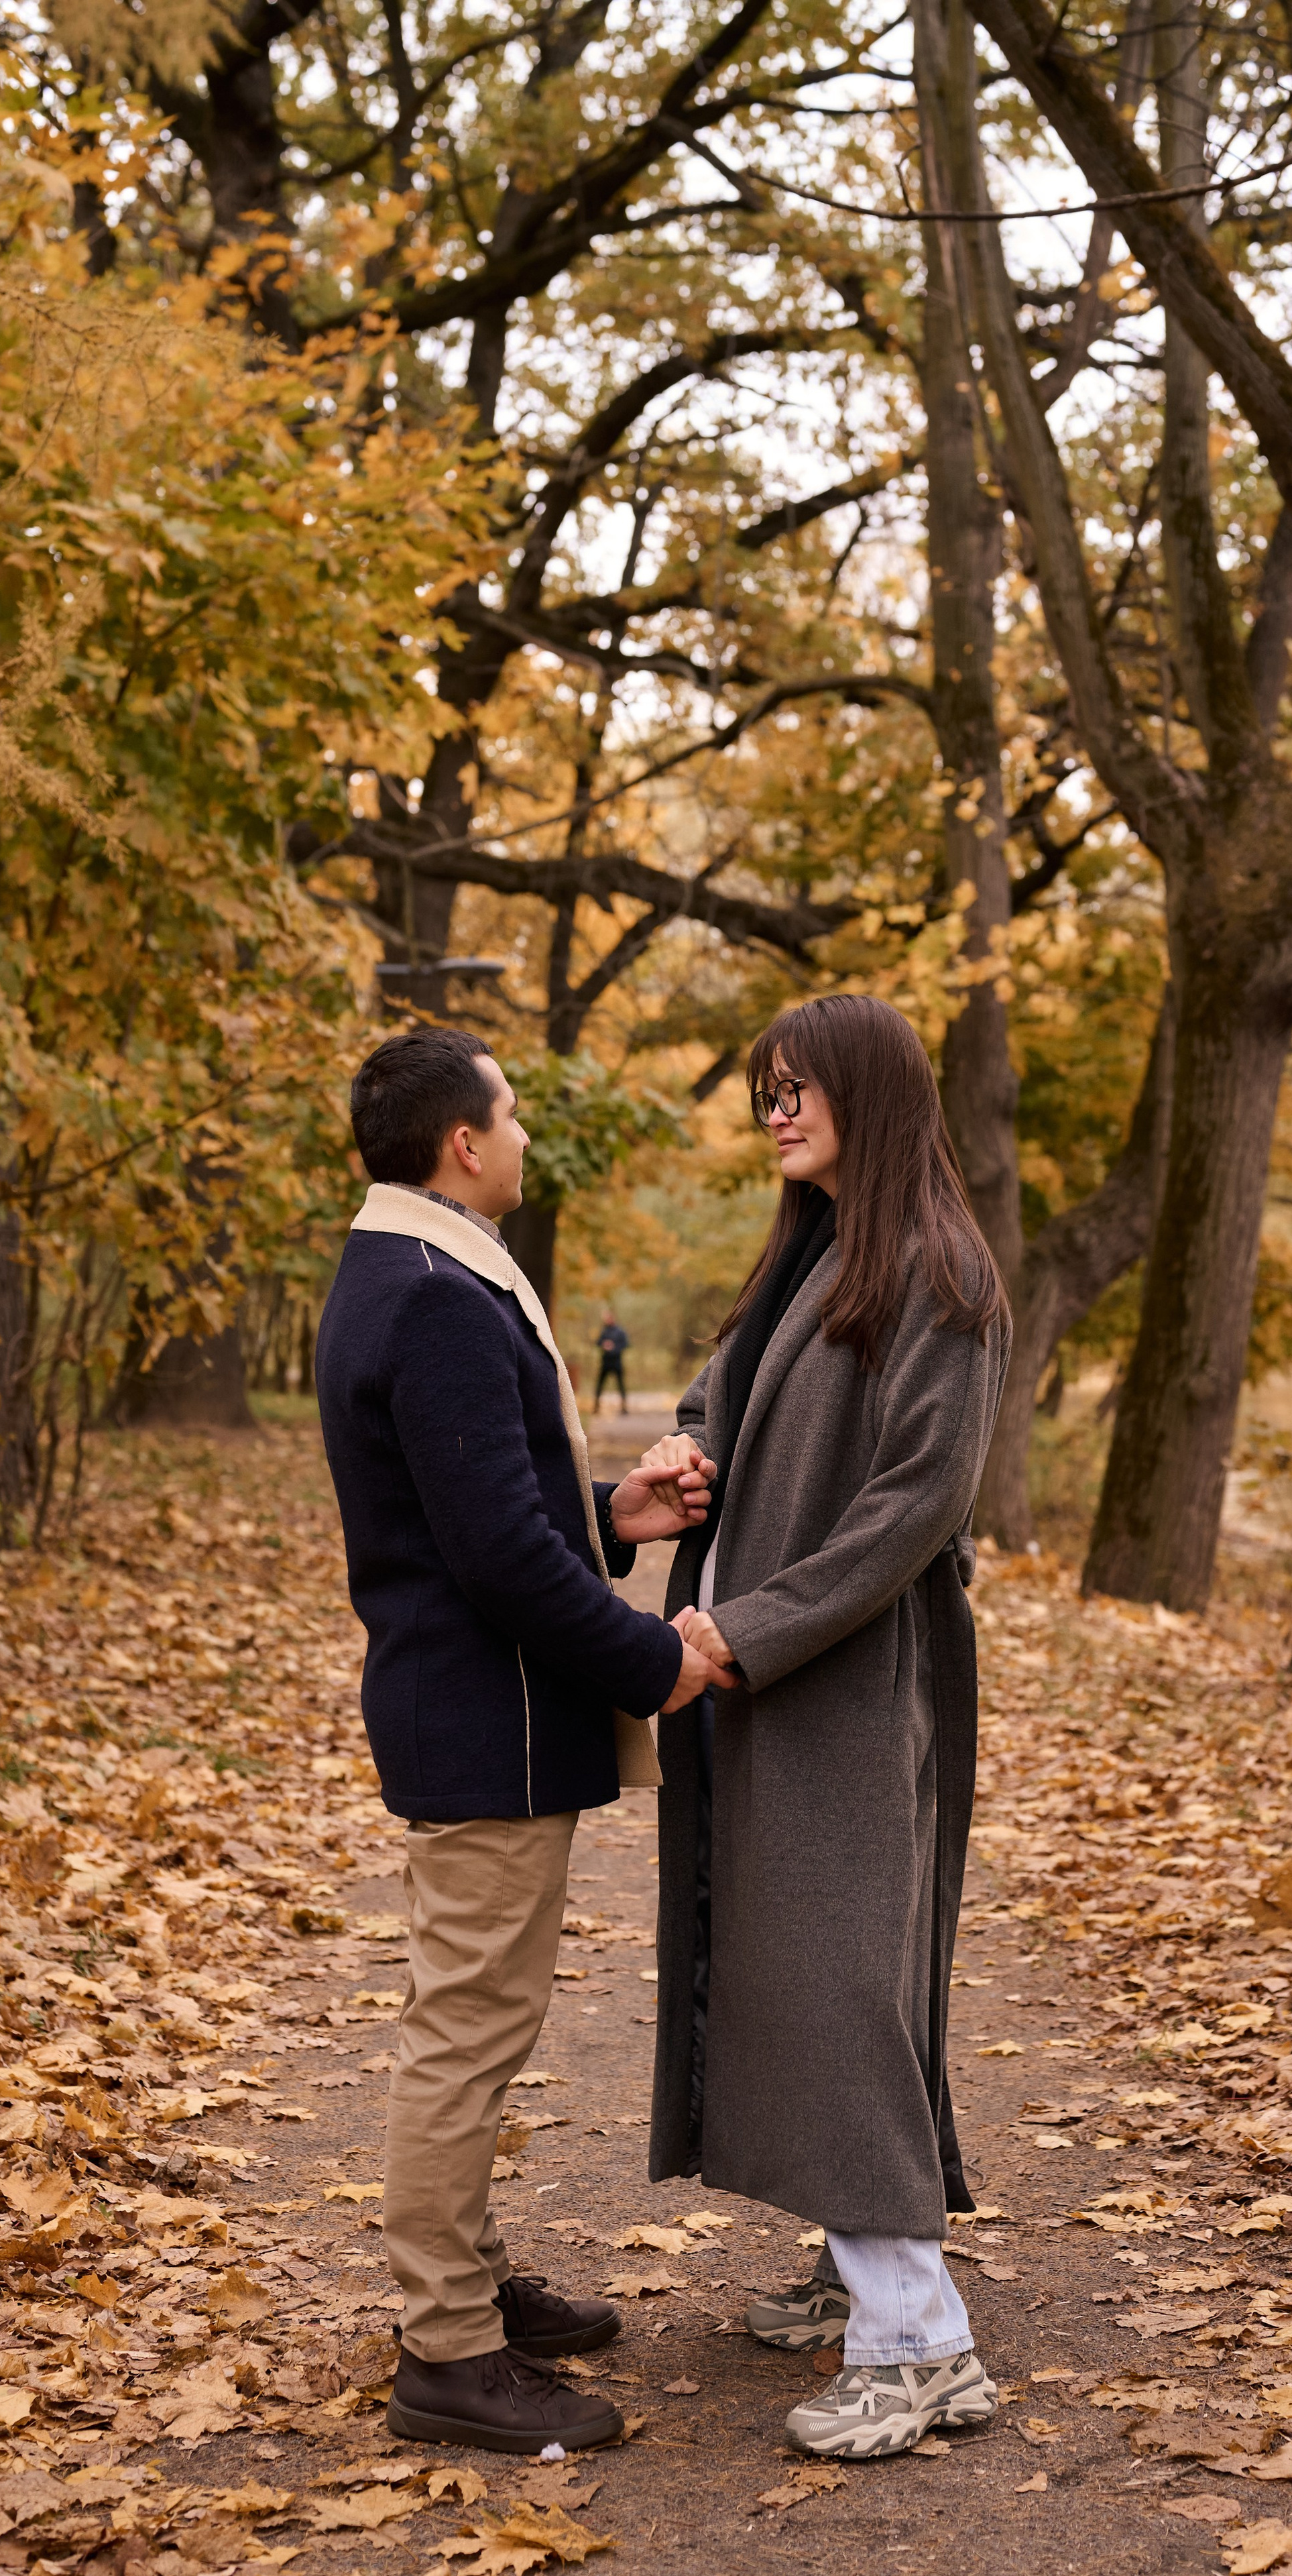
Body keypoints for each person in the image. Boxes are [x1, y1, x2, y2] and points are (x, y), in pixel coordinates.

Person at [314, 1027, 729, 2455]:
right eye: (512, 1112)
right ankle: (443, 2347)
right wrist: (652, 1656)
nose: (525, 1133)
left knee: (480, 2020)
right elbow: (489, 1558)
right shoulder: (431, 1292)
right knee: (468, 2030)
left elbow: (479, 1509)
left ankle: (468, 2280)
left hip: (474, 1697)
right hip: (475, 1708)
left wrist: (613, 1515)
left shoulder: (416, 1269)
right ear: (462, 1143)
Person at [637, 994, 1010, 2463]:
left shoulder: (940, 1270)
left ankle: (918, 2345)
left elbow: (914, 1501)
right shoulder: (818, 1250)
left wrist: (748, 1627)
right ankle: (852, 2268)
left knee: (839, 1973)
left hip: (848, 1681)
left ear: (870, 1090)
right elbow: (735, 1393)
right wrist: (686, 1441)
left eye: (795, 1088)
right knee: (793, 1963)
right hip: (771, 1683)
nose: (773, 1112)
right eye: (762, 1091)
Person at [594, 1311, 630, 1414]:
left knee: (620, 1385)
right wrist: (604, 1345)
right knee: (600, 1385)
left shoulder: (620, 1331)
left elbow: (625, 1345)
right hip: (606, 1362)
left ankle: (624, 1407)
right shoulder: (604, 1331)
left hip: (616, 1362)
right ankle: (596, 1406)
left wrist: (613, 1348)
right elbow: (598, 1342)